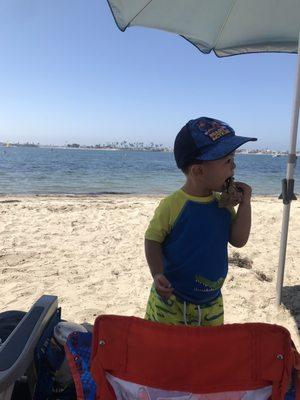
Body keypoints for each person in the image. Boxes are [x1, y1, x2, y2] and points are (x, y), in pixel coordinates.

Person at [144, 117, 257, 326]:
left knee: (206, 354)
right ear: (198, 171)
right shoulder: (173, 205)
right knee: (166, 351)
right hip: (172, 300)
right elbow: (152, 240)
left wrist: (245, 204)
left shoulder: (222, 203)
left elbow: (238, 240)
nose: (234, 167)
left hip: (211, 302)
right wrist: (157, 273)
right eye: (228, 161)